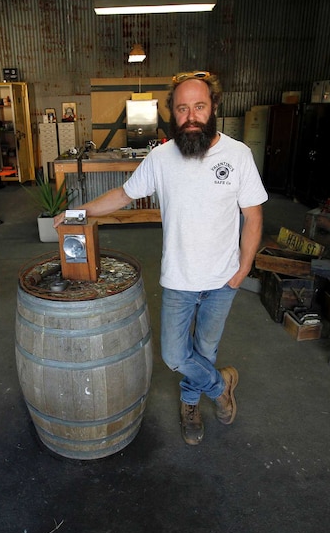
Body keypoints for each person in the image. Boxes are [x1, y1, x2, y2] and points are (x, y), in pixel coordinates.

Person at [53, 71, 268, 445]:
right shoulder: (161, 158)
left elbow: (253, 215)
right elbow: (123, 195)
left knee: (204, 350)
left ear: (213, 107)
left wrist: (244, 268)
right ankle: (221, 386)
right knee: (174, 354)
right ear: (172, 112)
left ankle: (190, 405)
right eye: (182, 108)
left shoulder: (238, 156)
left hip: (223, 280)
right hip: (179, 281)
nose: (191, 116)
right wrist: (78, 214)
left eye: (199, 106)